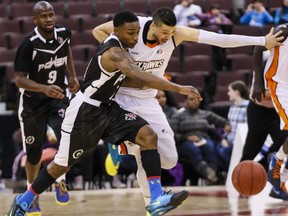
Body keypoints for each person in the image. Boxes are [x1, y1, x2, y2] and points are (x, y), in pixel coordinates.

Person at [6, 10, 203, 216]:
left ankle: (156, 198)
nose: (135, 38)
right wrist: (179, 88)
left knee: (148, 135)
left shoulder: (124, 48)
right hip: (85, 113)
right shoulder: (115, 53)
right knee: (61, 166)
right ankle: (23, 200)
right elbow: (140, 78)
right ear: (116, 31)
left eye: (137, 32)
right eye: (130, 33)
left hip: (108, 109)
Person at [92, 7, 283, 211]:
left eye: (171, 33)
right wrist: (121, 59)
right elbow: (98, 31)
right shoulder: (134, 27)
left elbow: (217, 39)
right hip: (122, 97)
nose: (168, 38)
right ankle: (152, 204)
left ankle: (123, 145)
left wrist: (262, 41)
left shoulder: (176, 34)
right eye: (164, 32)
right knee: (145, 146)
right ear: (153, 25)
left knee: (169, 160)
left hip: (148, 98)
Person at [12, 1, 80, 215]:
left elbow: (66, 49)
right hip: (32, 104)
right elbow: (19, 80)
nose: (49, 19)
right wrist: (43, 88)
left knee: (65, 138)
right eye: (43, 16)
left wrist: (72, 75)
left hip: (57, 99)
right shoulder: (28, 44)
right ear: (35, 20)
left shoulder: (63, 33)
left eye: (51, 15)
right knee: (33, 154)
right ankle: (31, 196)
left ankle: (60, 179)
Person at [251, 23, 288, 200]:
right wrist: (258, 82)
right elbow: (259, 48)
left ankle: (280, 179)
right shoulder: (284, 30)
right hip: (280, 85)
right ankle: (277, 161)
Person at [170, 94, 229, 184]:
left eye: (197, 99)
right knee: (194, 150)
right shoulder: (178, 116)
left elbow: (221, 121)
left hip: (203, 139)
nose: (194, 101)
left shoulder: (205, 113)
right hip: (185, 142)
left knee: (210, 147)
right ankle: (208, 173)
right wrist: (186, 137)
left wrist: (227, 124)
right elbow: (172, 134)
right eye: (191, 99)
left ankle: (211, 175)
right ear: (185, 101)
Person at [218, 80, 249, 170]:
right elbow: (229, 127)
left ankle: (238, 172)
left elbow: (247, 129)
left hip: (240, 143)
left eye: (230, 91)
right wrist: (224, 139)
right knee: (215, 149)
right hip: (230, 141)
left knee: (224, 152)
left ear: (236, 92)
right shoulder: (232, 107)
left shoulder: (248, 107)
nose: (228, 93)